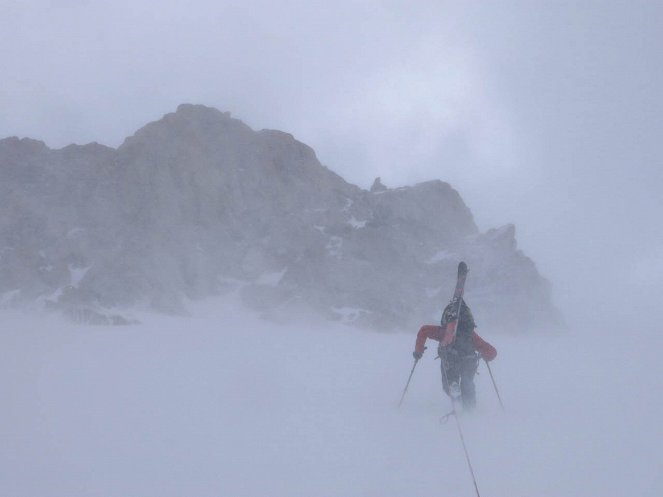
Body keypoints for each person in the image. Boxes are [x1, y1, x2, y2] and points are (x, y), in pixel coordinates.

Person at [412, 298, 496, 410]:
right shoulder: (471, 335)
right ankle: (469, 410)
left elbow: (424, 330)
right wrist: (487, 356)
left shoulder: (443, 332)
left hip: (450, 360)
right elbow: (492, 352)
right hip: (469, 361)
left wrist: (418, 351)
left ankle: (453, 389)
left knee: (449, 382)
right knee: (468, 383)